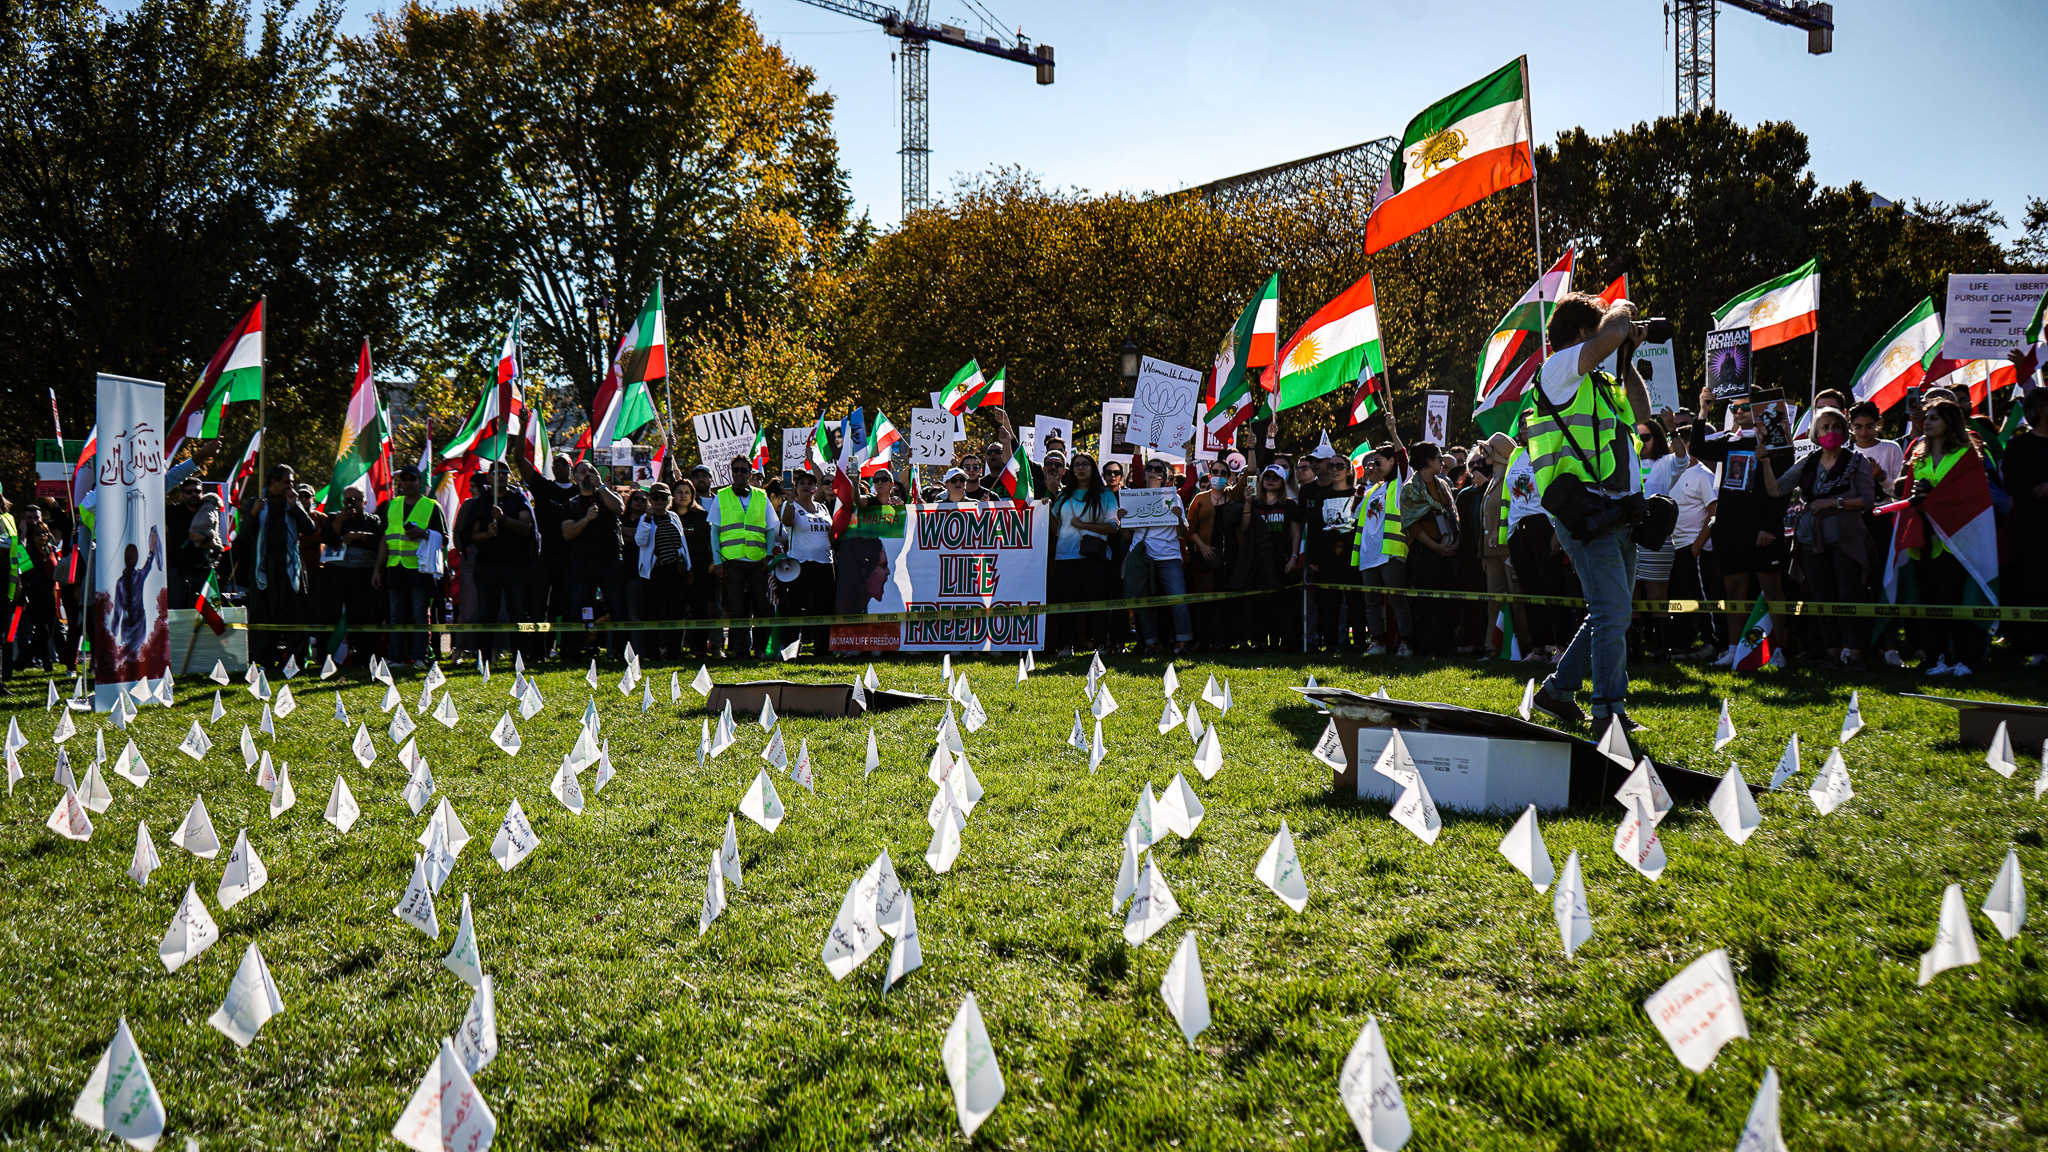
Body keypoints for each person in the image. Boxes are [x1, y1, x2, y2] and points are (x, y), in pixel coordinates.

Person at [1524, 291, 1656, 730]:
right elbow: (1616, 326)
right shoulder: (1558, 367)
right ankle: (1609, 714)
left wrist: (1627, 355)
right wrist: (1622, 319)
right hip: (1584, 511)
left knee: (1609, 611)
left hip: (1616, 510)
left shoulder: (1598, 381)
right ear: (1584, 334)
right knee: (1612, 611)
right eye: (1600, 329)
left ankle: (1556, 693)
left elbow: (1643, 415)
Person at [1757, 406, 1879, 668]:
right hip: (1811, 539)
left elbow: (1867, 500)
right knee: (1820, 595)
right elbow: (1776, 489)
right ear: (1815, 432)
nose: (1831, 431)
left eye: (1836, 426)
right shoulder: (1808, 462)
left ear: (1845, 431)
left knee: (1849, 593)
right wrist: (1766, 463)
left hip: (1846, 538)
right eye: (1825, 427)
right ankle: (1832, 652)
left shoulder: (1856, 461)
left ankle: (1854, 651)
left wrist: (1832, 503)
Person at [1690, 386, 1792, 667]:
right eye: (1734, 408)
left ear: (1760, 409)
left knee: (1772, 589)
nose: (1738, 413)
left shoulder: (1777, 441)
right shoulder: (1730, 440)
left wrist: (1770, 527)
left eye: (1744, 407)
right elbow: (1697, 448)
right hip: (1731, 528)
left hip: (1763, 530)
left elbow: (1782, 490)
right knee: (1733, 590)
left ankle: (1779, 651)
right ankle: (1734, 649)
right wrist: (1703, 410)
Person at [1894, 397, 1993, 675]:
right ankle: (1936, 657)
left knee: (1957, 601)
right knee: (1930, 601)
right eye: (1926, 417)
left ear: (1950, 423)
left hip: (1958, 541)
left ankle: (1965, 659)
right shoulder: (1919, 455)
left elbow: (1970, 496)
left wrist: (1934, 499)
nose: (1927, 422)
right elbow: (1910, 491)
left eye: (1934, 417)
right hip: (1925, 539)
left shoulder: (1964, 455)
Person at [455, 463, 537, 668]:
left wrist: (504, 519)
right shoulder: (481, 503)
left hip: (516, 565)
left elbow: (527, 528)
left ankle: (520, 657)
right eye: (496, 473)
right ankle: (483, 659)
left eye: (505, 473)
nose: (501, 477)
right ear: (489, 477)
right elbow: (470, 537)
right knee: (486, 612)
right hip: (487, 566)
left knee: (518, 611)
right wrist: (487, 534)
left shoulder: (518, 499)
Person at [237, 464, 315, 670]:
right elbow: (243, 534)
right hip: (264, 566)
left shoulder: (294, 501)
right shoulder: (256, 502)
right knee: (263, 612)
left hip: (291, 566)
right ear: (273, 482)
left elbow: (309, 528)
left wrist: (296, 507)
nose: (291, 486)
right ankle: (264, 660)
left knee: (295, 612)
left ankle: (297, 660)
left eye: (292, 482)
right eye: (287, 482)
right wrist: (253, 514)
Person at [374, 465, 447, 668]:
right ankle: (395, 658)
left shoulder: (432, 505)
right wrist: (377, 570)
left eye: (411, 479)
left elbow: (445, 537)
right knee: (395, 614)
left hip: (420, 568)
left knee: (420, 614)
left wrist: (424, 533)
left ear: (420, 482)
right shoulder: (392, 506)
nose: (406, 483)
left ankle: (420, 657)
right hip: (395, 567)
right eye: (403, 479)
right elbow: (385, 540)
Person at [1049, 452, 1118, 656]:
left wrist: (1084, 525)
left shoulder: (1105, 495)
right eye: (1077, 465)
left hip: (1094, 557)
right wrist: (1047, 506)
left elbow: (1113, 526)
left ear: (1093, 468)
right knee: (1068, 602)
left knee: (1096, 600)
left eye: (1085, 464)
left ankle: (1101, 645)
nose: (1080, 468)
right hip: (1065, 556)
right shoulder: (1063, 496)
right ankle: (1067, 646)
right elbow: (1056, 530)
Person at [1122, 457, 1193, 654]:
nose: (1154, 472)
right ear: (1143, 474)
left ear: (1165, 476)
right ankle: (1150, 645)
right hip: (1141, 556)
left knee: (1178, 599)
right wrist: (1122, 521)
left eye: (1158, 469)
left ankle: (1182, 643)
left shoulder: (1174, 497)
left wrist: (1179, 518)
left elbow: (1183, 533)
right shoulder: (1132, 498)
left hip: (1169, 557)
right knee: (1143, 602)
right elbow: (1127, 536)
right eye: (1150, 468)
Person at [559, 459, 626, 662]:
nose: (586, 474)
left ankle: (620, 653)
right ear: (575, 477)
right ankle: (572, 654)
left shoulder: (606, 497)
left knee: (618, 610)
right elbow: (568, 533)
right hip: (584, 565)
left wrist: (601, 487)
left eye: (591, 471)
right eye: (582, 471)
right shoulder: (571, 505)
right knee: (577, 610)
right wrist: (586, 519)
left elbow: (619, 508)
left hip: (611, 563)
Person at [1662, 425, 1719, 660]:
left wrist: (1696, 548)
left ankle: (1713, 643)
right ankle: (1682, 645)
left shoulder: (1704, 475)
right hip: (1674, 548)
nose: (1670, 446)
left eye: (1675, 441)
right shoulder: (1672, 473)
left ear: (1688, 446)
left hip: (1696, 550)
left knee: (1702, 598)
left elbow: (1714, 512)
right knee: (1682, 599)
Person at [516, 451, 579, 659]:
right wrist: (523, 427)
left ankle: (562, 651)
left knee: (562, 607)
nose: (560, 468)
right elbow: (519, 458)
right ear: (552, 468)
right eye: (557, 465)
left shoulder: (579, 494)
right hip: (544, 557)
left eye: (565, 465)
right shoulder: (544, 488)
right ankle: (537, 652)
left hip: (569, 559)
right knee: (538, 607)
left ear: (571, 469)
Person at [709, 455, 773, 659]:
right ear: (731, 471)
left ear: (750, 473)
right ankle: (741, 651)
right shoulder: (721, 496)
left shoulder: (762, 496)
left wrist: (769, 556)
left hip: (757, 561)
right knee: (736, 609)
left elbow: (771, 529)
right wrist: (718, 562)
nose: (739, 473)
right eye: (735, 469)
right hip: (732, 561)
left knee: (763, 606)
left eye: (743, 470)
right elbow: (715, 531)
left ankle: (763, 649)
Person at [1399, 443, 1460, 657]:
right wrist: (1435, 546)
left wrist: (1453, 543)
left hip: (1447, 550)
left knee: (1447, 602)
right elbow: (1411, 523)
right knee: (1424, 603)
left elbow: (1452, 515)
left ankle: (1445, 647)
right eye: (1438, 458)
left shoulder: (1443, 485)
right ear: (1427, 460)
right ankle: (1425, 648)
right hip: (1424, 552)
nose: (1442, 462)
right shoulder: (1410, 489)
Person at [2002, 387, 2048, 666]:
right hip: (2032, 528)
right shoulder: (2019, 446)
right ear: (2040, 410)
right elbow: (2012, 482)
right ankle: (2040, 646)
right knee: (2037, 585)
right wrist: (2037, 490)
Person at [1237, 463, 1304, 651]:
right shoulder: (1255, 503)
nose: (1271, 481)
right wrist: (1248, 504)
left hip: (1281, 561)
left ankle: (1280, 640)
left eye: (1275, 478)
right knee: (1258, 603)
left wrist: (1293, 557)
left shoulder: (1289, 505)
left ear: (1282, 482)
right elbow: (1243, 528)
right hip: (1258, 560)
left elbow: (1296, 534)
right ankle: (1259, 641)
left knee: (1282, 603)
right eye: (1267, 477)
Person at [1354, 447, 1412, 656]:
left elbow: (1404, 462)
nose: (1373, 468)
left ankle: (1405, 642)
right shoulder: (1371, 490)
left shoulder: (1399, 485)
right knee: (1371, 602)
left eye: (1378, 463)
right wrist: (1363, 485)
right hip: (1369, 554)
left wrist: (1393, 431)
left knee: (1397, 599)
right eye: (1370, 464)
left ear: (1392, 462)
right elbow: (1354, 515)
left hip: (1389, 552)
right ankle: (1377, 641)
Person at [629, 482, 693, 658]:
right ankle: (652, 653)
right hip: (654, 574)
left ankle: (674, 651)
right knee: (653, 615)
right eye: (655, 497)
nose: (659, 501)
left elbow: (682, 544)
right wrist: (649, 518)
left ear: (669, 499)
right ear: (649, 500)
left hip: (676, 573)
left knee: (676, 614)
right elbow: (640, 541)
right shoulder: (645, 519)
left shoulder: (674, 516)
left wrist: (688, 567)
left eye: (663, 497)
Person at [319, 486, 383, 663]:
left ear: (364, 502)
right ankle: (331, 656)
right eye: (348, 500)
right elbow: (326, 538)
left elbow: (380, 541)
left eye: (356, 499)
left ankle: (363, 657)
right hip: (336, 575)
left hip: (363, 574)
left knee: (364, 614)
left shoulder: (373, 520)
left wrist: (360, 536)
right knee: (332, 613)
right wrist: (339, 520)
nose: (352, 503)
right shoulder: (333, 517)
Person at [776, 469, 835, 655]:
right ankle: (791, 650)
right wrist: (791, 500)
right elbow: (786, 522)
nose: (806, 486)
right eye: (802, 483)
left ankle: (822, 648)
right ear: (796, 487)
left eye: (810, 483)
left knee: (824, 606)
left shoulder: (823, 508)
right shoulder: (790, 505)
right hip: (800, 564)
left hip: (825, 563)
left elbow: (831, 533)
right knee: (796, 607)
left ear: (815, 488)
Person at [1185, 457, 1242, 652]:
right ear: (1210, 475)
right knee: (1204, 601)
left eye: (1223, 473)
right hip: (1205, 557)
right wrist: (1202, 547)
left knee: (1227, 602)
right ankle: (1204, 640)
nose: (1218, 476)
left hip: (1229, 558)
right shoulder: (1200, 499)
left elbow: (1251, 472)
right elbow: (1190, 528)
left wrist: (1253, 447)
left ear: (1229, 477)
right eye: (1215, 472)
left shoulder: (1234, 495)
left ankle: (1225, 641)